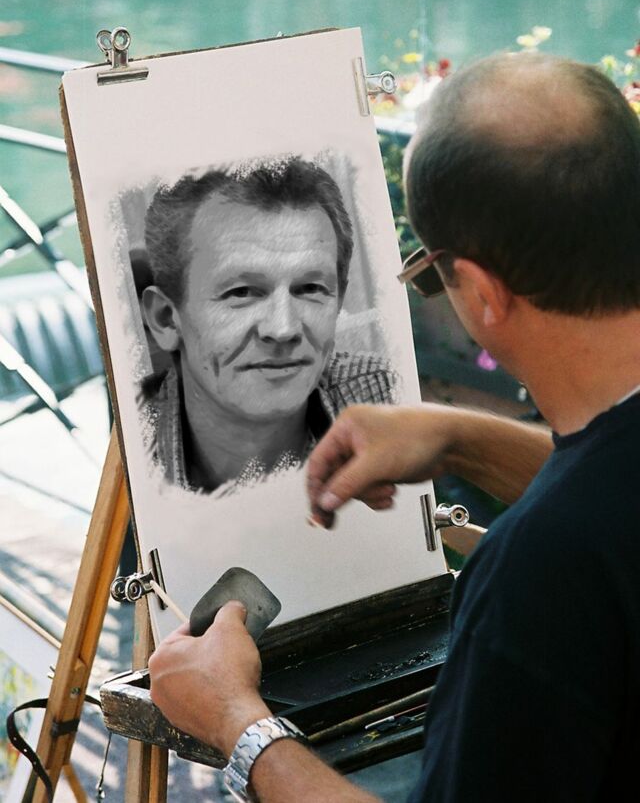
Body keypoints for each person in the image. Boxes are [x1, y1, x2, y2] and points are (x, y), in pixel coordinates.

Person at [148, 51, 640, 801]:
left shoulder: (536, 578)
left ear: (480, 291)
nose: (280, 328)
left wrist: (238, 724)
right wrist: (460, 437)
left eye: (430, 274)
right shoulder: (583, 531)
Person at [140, 155, 397, 495]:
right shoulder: (129, 462)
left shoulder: (390, 397)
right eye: (242, 292)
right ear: (166, 319)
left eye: (310, 289)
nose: (283, 329)